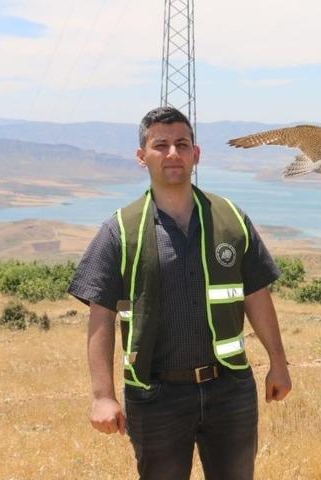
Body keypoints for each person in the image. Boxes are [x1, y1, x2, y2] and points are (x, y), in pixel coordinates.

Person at [68, 106, 292, 480]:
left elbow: (257, 295)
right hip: (156, 397)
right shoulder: (120, 230)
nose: (173, 153)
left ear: (195, 154)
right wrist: (102, 396)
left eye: (182, 144)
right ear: (142, 157)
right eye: (161, 145)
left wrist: (279, 363)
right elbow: (100, 314)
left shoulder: (231, 219)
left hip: (230, 390)